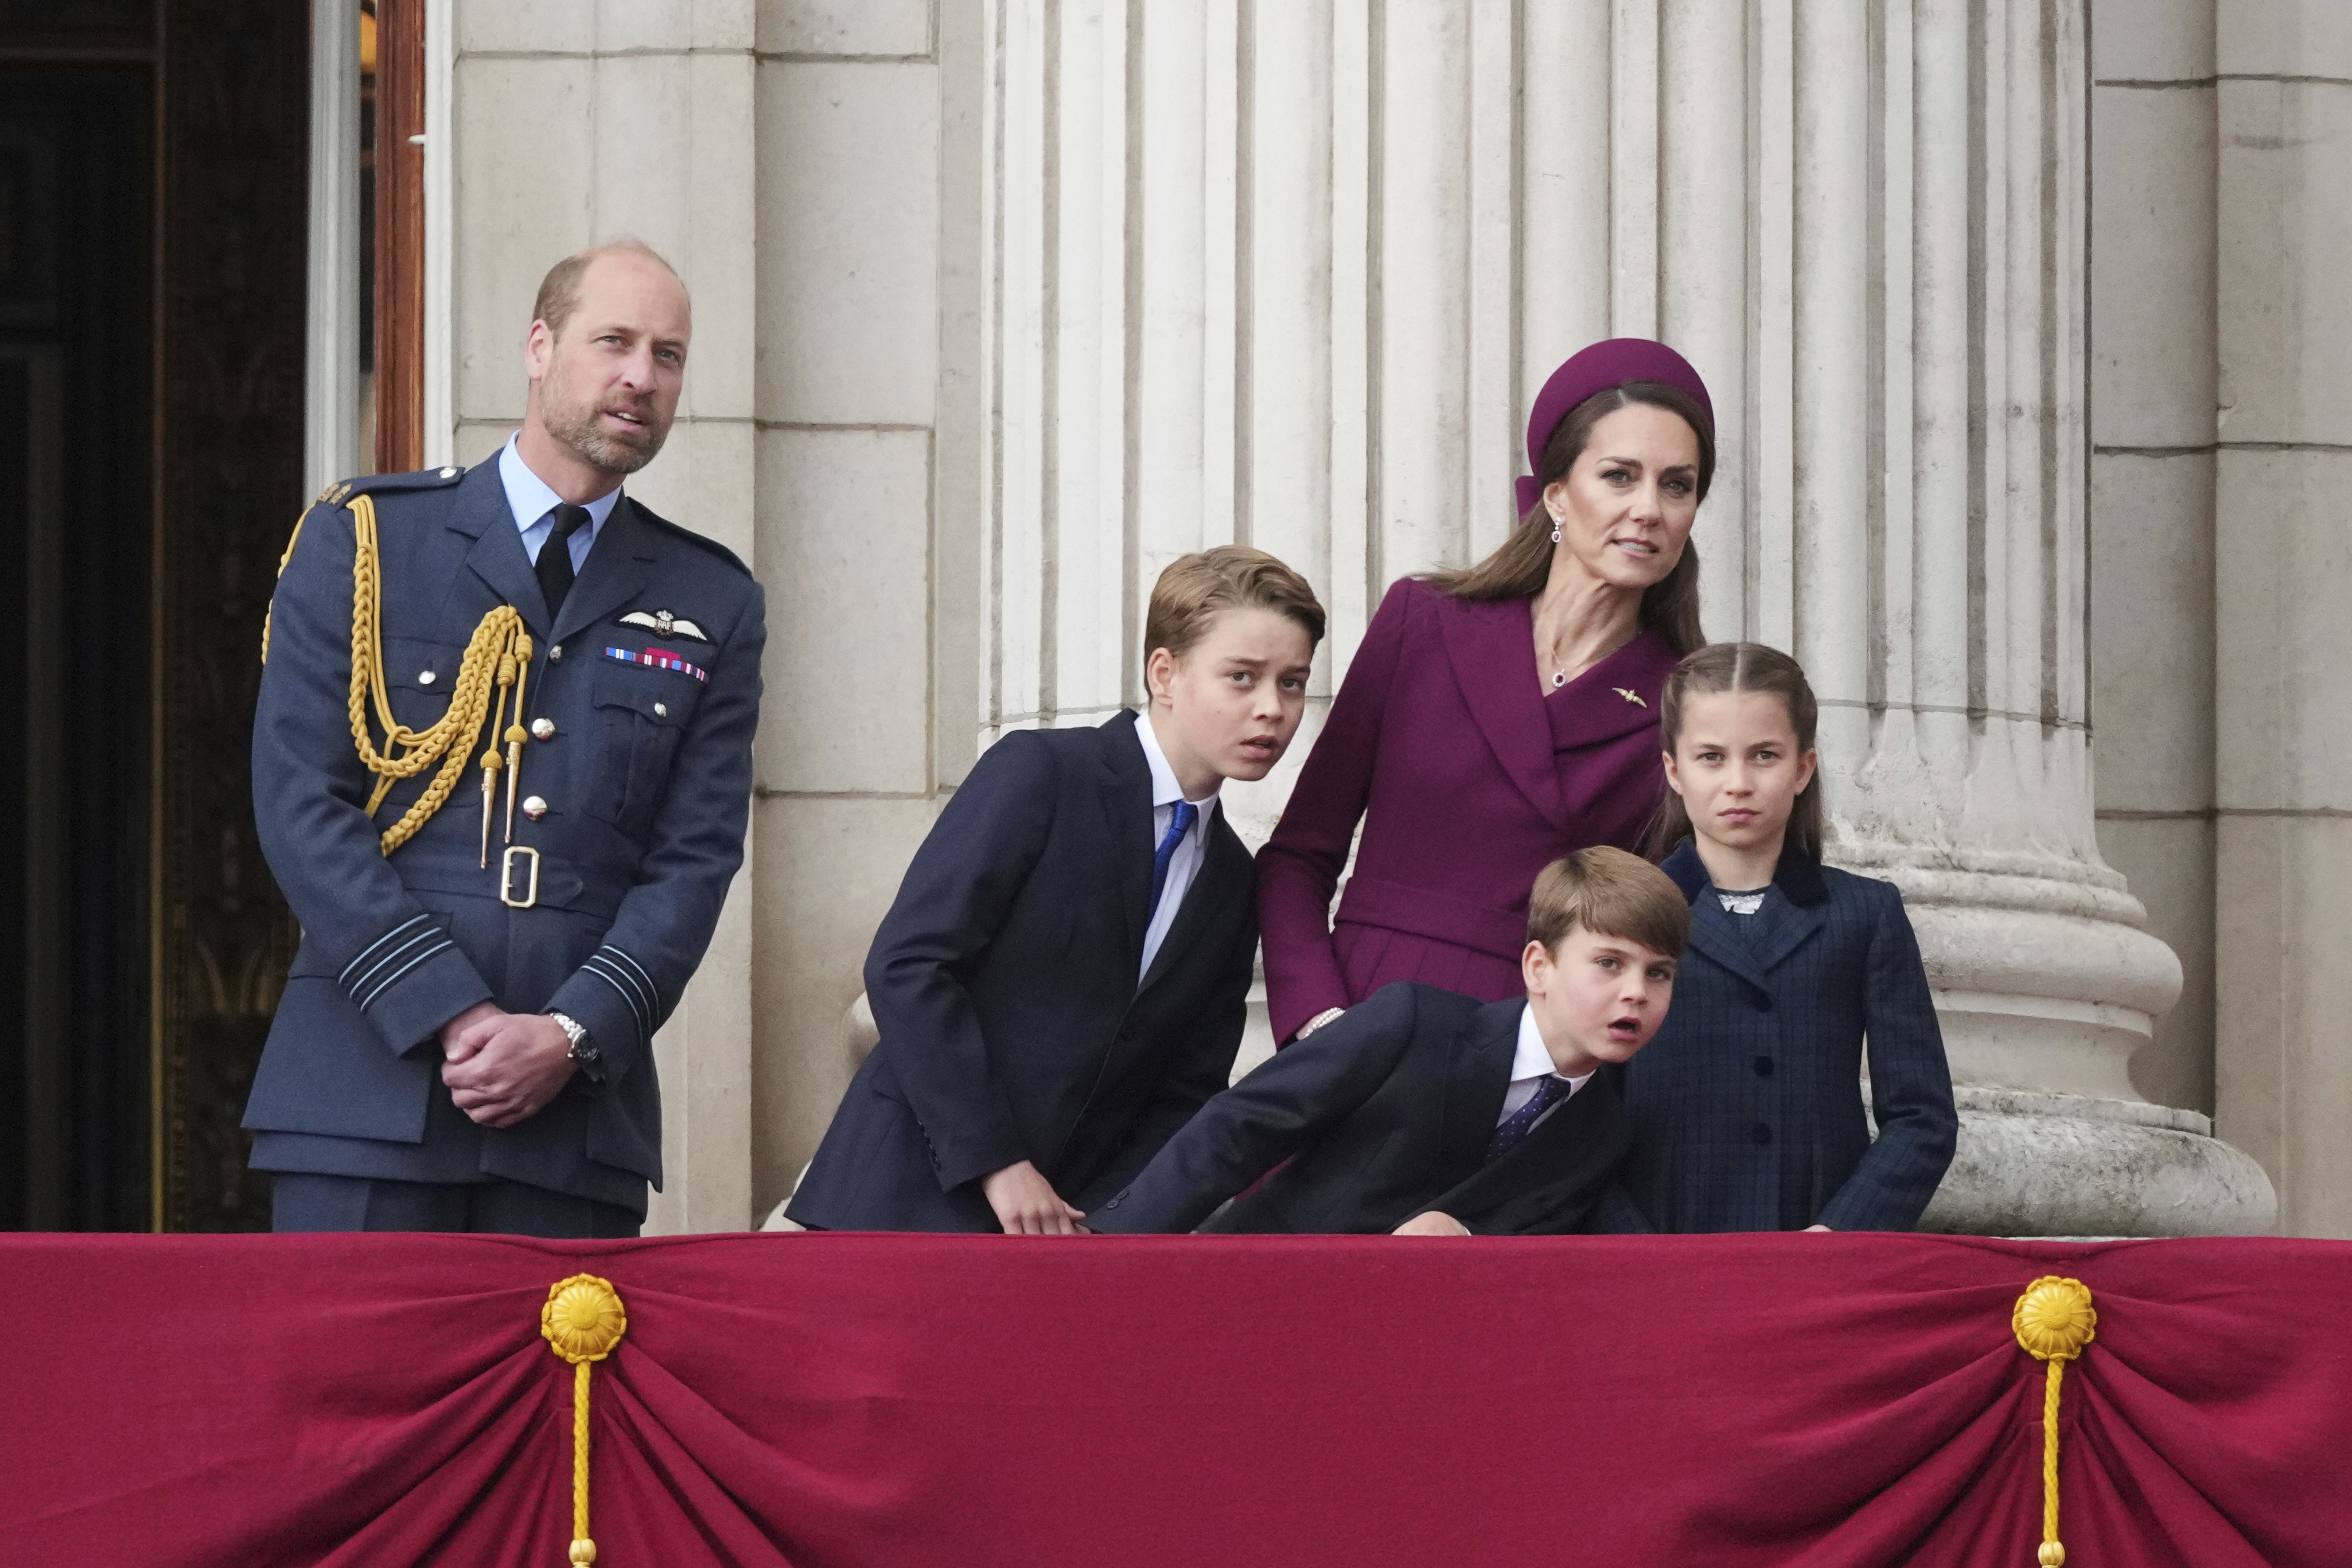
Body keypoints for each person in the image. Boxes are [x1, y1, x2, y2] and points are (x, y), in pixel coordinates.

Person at [243, 241, 766, 1236]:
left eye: (668, 355)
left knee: (558, 1401)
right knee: (355, 1395)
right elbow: (302, 802)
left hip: (573, 1125)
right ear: (539, 346)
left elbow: (694, 860)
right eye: (613, 341)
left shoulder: (713, 598)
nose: (639, 377)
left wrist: (571, 1031)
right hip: (365, 1094)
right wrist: (454, 1011)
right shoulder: (366, 538)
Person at [786, 547, 1325, 1234]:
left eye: (1290, 683)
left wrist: (1105, 1223)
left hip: (1063, 1241)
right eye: (1241, 678)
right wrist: (998, 1162)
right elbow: (908, 966)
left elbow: (1184, 1089)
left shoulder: (1233, 878)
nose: (1271, 710)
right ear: (1165, 672)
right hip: (901, 1200)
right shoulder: (1042, 773)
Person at [1257, 338, 1714, 1050]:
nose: (1649, 509)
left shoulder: (1685, 705)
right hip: (1360, 1023)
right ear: (1556, 493)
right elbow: (1298, 856)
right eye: (1619, 476)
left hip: (1530, 1055)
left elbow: (1665, 931)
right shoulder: (1423, 621)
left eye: (1676, 485)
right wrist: (1320, 1026)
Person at [1084, 847, 1687, 1236]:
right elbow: (1241, 1127)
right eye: (1608, 963)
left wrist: (1468, 1241)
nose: (1635, 991)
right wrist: (1112, 1251)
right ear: (1538, 967)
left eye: (1657, 972)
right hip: (1257, 1292)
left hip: (1400, 1368)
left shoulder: (1600, 1133)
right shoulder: (1415, 1021)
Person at [1610, 642, 1956, 1232]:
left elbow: (1922, 1117)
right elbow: (1575, 1112)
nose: (1737, 782)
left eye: (1764, 755)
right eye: (1711, 757)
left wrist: (1835, 1236)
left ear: (1802, 767)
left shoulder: (1865, 914)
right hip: (1656, 1251)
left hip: (1814, 1246)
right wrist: (1633, 1247)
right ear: (1673, 769)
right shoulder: (1621, 913)